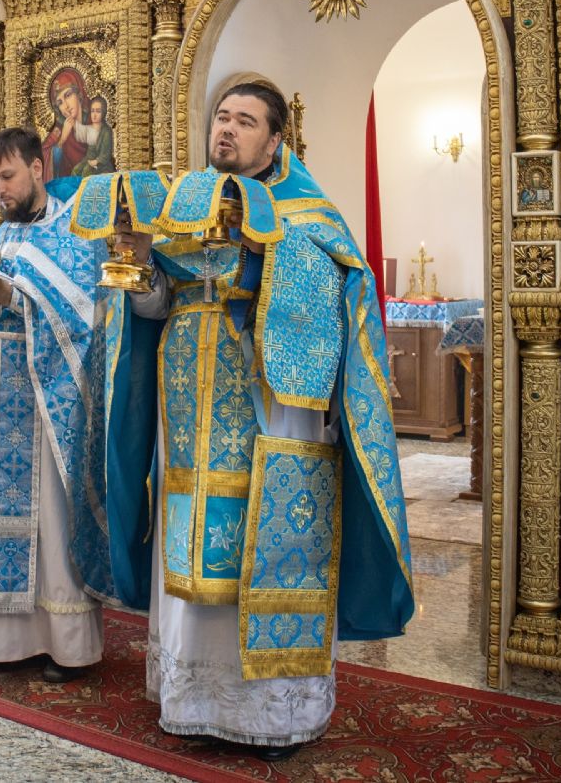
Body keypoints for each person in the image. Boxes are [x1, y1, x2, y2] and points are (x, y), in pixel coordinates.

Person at [124, 82, 414, 760]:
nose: (226, 130)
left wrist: (259, 255)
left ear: (276, 140)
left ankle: (270, 715)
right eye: (221, 117)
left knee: (267, 546)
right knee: (191, 535)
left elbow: (340, 287)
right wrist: (141, 268)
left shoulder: (306, 213)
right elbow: (152, 307)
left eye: (245, 121)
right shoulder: (182, 205)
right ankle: (191, 698)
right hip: (189, 407)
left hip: (272, 409)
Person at [0, 128, 138, 682]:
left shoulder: (73, 232)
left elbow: (83, 308)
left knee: (49, 517)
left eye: (8, 176)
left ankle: (64, 645)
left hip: (46, 397)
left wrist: (15, 298)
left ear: (38, 168)